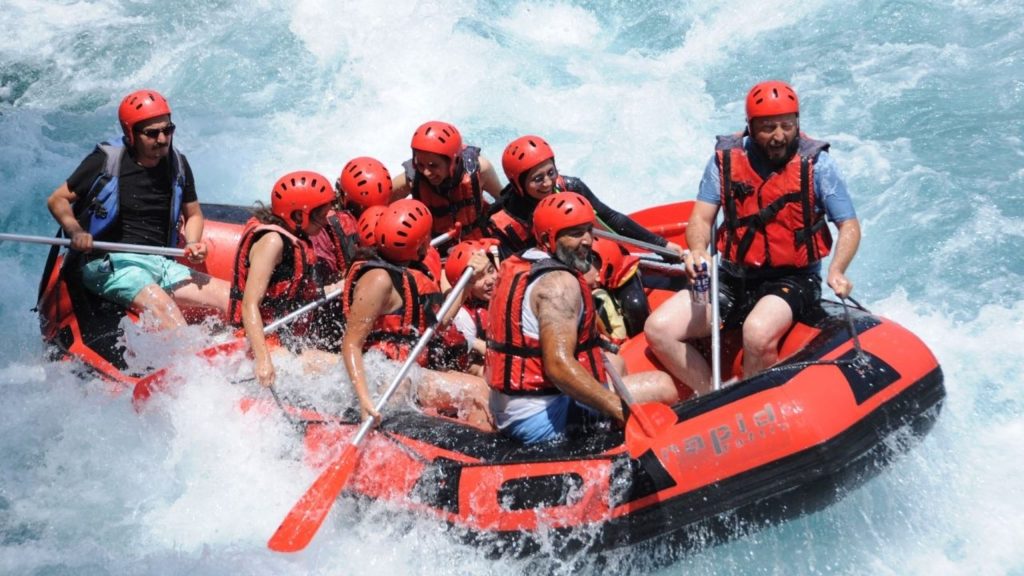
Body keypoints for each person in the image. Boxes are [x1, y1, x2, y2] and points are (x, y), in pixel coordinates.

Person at [644, 80, 861, 395]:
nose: (778, 136)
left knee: (757, 333)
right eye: (768, 127)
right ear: (749, 127)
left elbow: (849, 226)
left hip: (792, 278)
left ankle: (760, 401)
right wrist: (697, 250)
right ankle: (712, 396)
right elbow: (701, 218)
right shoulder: (725, 161)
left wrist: (837, 269)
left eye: (787, 126)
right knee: (659, 329)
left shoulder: (818, 165)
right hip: (732, 277)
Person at [486, 193, 679, 444]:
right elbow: (558, 367)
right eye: (575, 233)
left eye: (589, 230)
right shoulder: (559, 285)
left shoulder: (521, 262)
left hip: (510, 409)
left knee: (616, 364)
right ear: (548, 238)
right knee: (662, 386)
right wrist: (623, 410)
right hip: (538, 420)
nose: (588, 241)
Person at [46, 89, 229, 330]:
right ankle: (195, 365)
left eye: (167, 130)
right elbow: (57, 199)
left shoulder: (178, 164)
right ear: (131, 134)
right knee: (166, 311)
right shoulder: (105, 161)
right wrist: (76, 232)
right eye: (152, 133)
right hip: (109, 263)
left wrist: (192, 242)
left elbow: (193, 214)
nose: (162, 139)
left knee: (230, 297)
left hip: (160, 263)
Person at [342, 198, 494, 430]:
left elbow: (441, 320)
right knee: (476, 391)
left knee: (482, 381)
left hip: (405, 370)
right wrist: (364, 401)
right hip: (383, 375)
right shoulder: (379, 279)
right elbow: (351, 343)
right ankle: (483, 459)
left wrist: (469, 280)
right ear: (421, 244)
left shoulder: (408, 272)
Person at [229, 170, 347, 388]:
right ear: (297, 216)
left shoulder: (294, 237)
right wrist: (264, 361)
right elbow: (249, 304)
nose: (324, 223)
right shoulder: (272, 242)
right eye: (319, 216)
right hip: (260, 343)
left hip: (281, 338)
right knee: (343, 369)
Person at [487, 134, 685, 259]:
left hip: (583, 259)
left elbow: (611, 218)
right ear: (518, 184)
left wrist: (661, 245)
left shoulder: (571, 187)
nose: (548, 183)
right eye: (537, 179)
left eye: (551, 172)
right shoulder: (503, 222)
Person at [390, 121, 503, 243]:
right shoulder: (413, 178)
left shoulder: (480, 170)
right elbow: (383, 202)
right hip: (435, 249)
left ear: (452, 162)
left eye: (433, 165)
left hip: (479, 244)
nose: (426, 172)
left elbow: (504, 201)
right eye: (420, 164)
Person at [444, 239, 500, 376]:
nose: (490, 280)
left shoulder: (509, 291)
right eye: (478, 278)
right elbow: (466, 367)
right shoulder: (462, 316)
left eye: (491, 270)